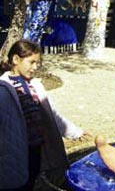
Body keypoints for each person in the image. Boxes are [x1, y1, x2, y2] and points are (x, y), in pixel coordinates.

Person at [0, 39, 88, 190]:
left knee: (31, 181)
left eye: (37, 63)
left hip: (36, 150)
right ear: (15, 59)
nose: (35, 67)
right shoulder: (3, 90)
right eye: (31, 62)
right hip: (13, 153)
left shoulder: (36, 85)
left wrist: (75, 131)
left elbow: (52, 115)